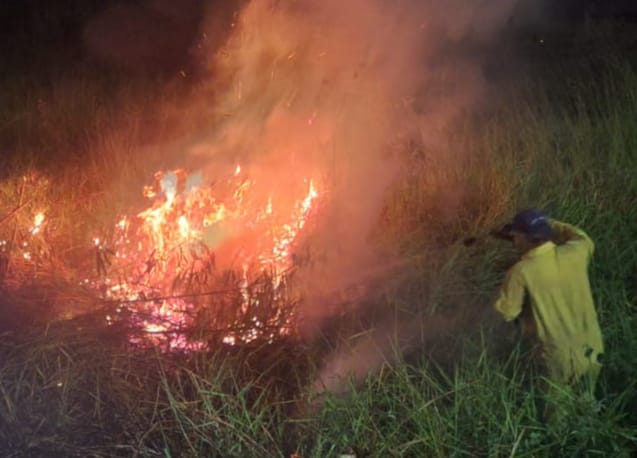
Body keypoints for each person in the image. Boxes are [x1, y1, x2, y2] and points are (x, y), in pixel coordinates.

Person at [493, 209, 604, 396]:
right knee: (586, 408)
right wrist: (549, 222)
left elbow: (506, 313)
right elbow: (580, 235)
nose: (513, 240)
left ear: (523, 237)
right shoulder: (576, 252)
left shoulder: (520, 272)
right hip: (593, 349)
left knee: (557, 419)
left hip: (558, 359)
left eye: (515, 236)